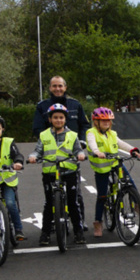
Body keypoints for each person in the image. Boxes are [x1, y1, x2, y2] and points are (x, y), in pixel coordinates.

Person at [32, 75, 91, 231]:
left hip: (71, 156)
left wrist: (82, 142)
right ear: (50, 88)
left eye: (60, 86)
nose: (57, 89)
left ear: (65, 87)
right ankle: (52, 222)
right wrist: (44, 145)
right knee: (51, 195)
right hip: (51, 158)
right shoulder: (42, 106)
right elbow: (37, 129)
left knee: (76, 193)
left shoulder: (75, 104)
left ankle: (80, 222)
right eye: (54, 86)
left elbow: (84, 125)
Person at [28, 104, 87, 246]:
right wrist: (33, 156)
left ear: (65, 119)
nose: (58, 120)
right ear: (50, 119)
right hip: (50, 172)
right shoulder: (44, 135)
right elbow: (38, 150)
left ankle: (78, 232)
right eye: (55, 117)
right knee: (49, 203)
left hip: (69, 171)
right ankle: (45, 233)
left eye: (61, 117)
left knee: (73, 202)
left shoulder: (73, 135)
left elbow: (78, 149)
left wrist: (80, 154)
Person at [86, 107, 140, 238]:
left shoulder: (112, 133)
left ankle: (136, 205)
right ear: (96, 122)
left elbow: (121, 143)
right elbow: (92, 143)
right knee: (102, 196)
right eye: (103, 120)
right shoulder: (91, 132)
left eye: (108, 120)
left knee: (130, 183)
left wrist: (133, 151)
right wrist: (97, 152)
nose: (106, 123)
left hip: (114, 163)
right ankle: (98, 222)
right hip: (101, 167)